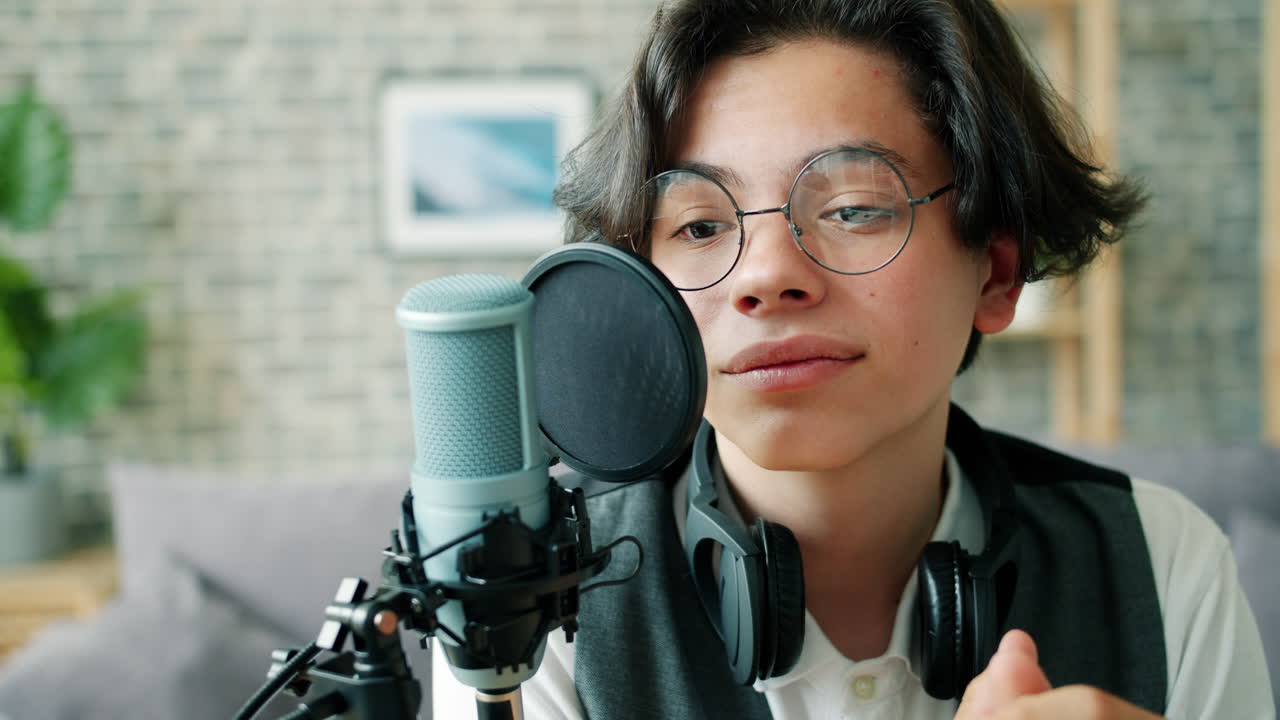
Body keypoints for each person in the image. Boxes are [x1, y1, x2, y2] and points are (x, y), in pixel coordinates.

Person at [435, 0, 1275, 717]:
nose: (764, 277)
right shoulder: (525, 601)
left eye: (852, 208)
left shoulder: (1164, 569)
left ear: (998, 269)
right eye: (698, 226)